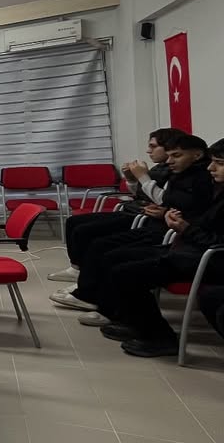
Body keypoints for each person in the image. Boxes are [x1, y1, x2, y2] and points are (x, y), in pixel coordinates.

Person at [83, 138, 224, 357]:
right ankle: (134, 321)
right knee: (114, 258)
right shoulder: (217, 189)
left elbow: (215, 241)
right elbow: (202, 222)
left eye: (219, 163)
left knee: (126, 273)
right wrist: (175, 218)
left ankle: (160, 338)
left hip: (207, 260)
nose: (210, 168)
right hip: (187, 248)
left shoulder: (204, 183)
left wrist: (186, 228)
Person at [52, 134, 215, 316]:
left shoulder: (201, 178)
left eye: (175, 155)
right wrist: (133, 181)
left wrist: (150, 189)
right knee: (91, 237)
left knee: (104, 249)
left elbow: (175, 204)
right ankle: (89, 287)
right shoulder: (174, 172)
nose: (148, 151)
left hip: (173, 235)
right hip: (156, 222)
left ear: (197, 155)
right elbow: (148, 197)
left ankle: (95, 297)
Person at [49, 128, 183, 283]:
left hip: (143, 217)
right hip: (135, 209)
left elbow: (162, 200)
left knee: (85, 232)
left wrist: (142, 176)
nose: (148, 151)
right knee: (73, 221)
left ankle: (86, 273)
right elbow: (140, 194)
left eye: (153, 146)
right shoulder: (158, 168)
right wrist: (131, 178)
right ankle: (76, 268)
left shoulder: (175, 173)